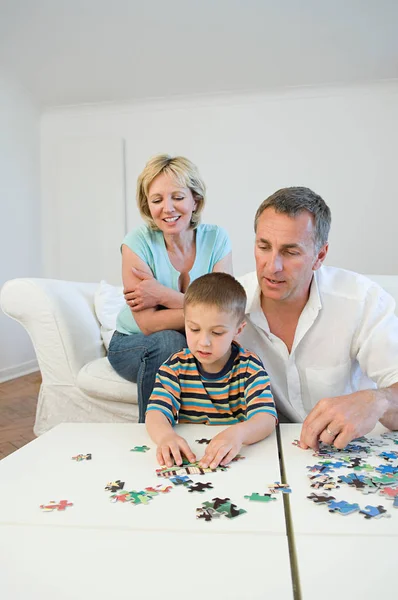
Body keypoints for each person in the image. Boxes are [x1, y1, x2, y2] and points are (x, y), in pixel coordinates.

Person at [238, 186, 398, 450]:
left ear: (320, 255)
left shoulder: (362, 300)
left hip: (350, 452)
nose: (272, 266)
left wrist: (377, 400)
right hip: (266, 451)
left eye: (291, 252)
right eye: (264, 247)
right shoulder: (231, 306)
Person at [108, 155, 232, 422]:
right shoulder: (137, 243)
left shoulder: (217, 239)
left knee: (232, 345)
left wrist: (164, 296)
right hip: (131, 343)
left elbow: (226, 311)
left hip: (195, 340)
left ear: (195, 200)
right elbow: (149, 324)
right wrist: (206, 311)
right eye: (157, 200)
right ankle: (152, 434)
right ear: (148, 205)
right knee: (170, 341)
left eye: (177, 197)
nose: (167, 208)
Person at [145, 272, 277, 469]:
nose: (203, 342)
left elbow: (266, 418)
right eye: (194, 329)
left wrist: (238, 434)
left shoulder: (249, 367)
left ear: (238, 330)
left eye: (217, 333)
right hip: (192, 458)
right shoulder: (175, 367)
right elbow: (155, 412)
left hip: (236, 459)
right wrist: (166, 436)